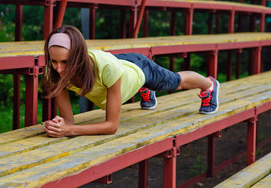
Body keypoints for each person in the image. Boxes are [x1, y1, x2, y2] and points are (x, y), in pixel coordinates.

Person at [43, 25, 219, 138]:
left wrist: (70, 130)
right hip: (120, 67)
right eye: (54, 61)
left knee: (175, 81)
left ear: (78, 56)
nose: (59, 69)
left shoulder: (106, 68)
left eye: (65, 62)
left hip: (139, 68)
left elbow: (111, 126)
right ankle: (144, 89)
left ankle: (209, 85)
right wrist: (60, 125)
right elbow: (69, 121)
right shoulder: (54, 73)